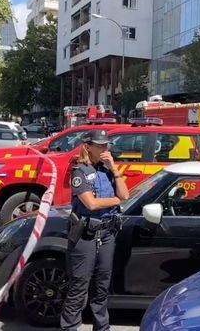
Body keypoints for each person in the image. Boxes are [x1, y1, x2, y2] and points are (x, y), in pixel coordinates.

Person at [60, 130, 129, 331]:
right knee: (79, 287)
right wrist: (115, 200)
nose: (105, 149)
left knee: (101, 287)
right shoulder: (79, 170)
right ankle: (70, 327)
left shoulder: (107, 169)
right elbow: (90, 204)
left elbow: (124, 193)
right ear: (88, 146)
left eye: (106, 146)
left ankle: (102, 328)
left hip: (107, 234)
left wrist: (114, 169)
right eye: (100, 146)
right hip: (85, 234)